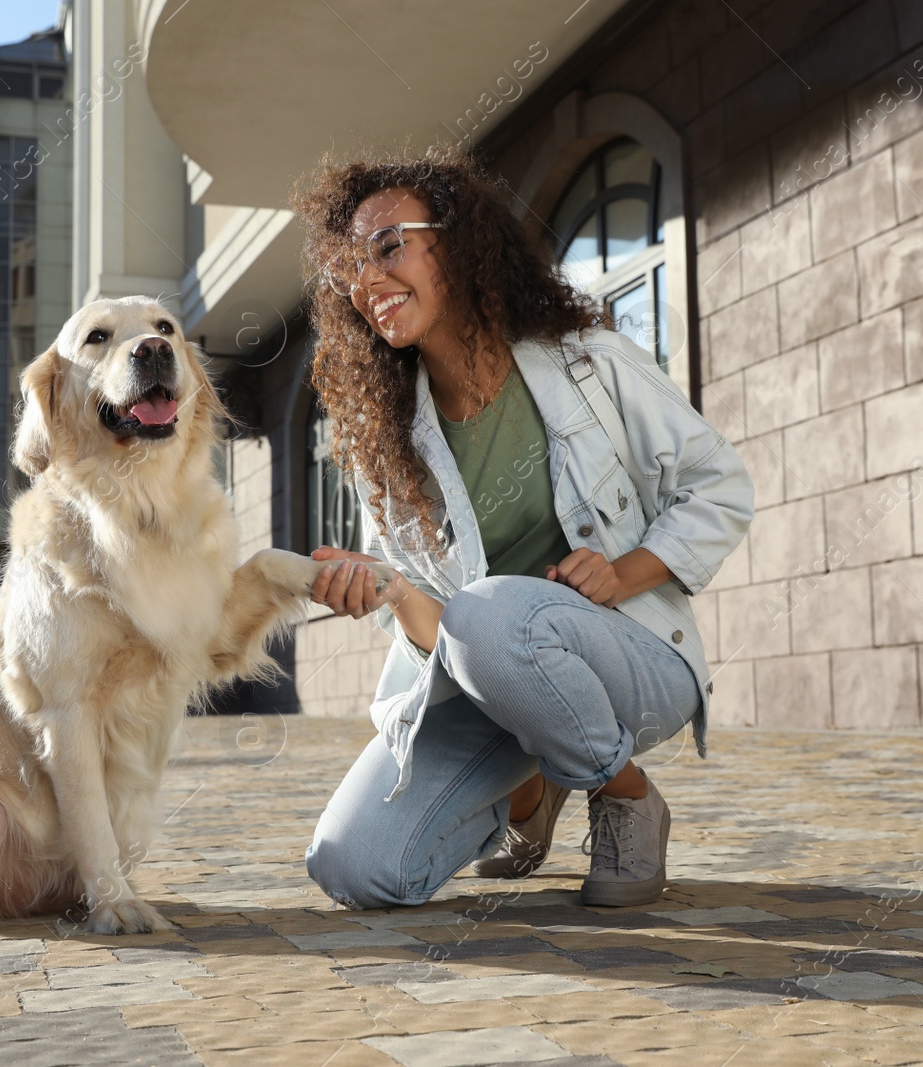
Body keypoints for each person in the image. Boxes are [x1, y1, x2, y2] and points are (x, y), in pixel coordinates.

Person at [294, 149, 753, 911]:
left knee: (488, 614)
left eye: (388, 247)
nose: (368, 282)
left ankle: (625, 794)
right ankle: (528, 794)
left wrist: (626, 568)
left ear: (459, 241)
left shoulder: (587, 363)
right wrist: (393, 590)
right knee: (352, 865)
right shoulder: (386, 443)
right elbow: (446, 632)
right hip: (488, 676)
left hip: (629, 657)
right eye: (350, 269)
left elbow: (721, 485)